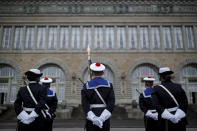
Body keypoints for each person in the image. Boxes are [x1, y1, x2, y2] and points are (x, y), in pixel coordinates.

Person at [81, 62, 115, 131]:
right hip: (105, 118)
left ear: (92, 73)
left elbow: (85, 105)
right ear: (102, 72)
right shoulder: (109, 85)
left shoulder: (86, 86)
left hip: (91, 118)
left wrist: (93, 118)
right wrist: (101, 118)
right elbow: (111, 104)